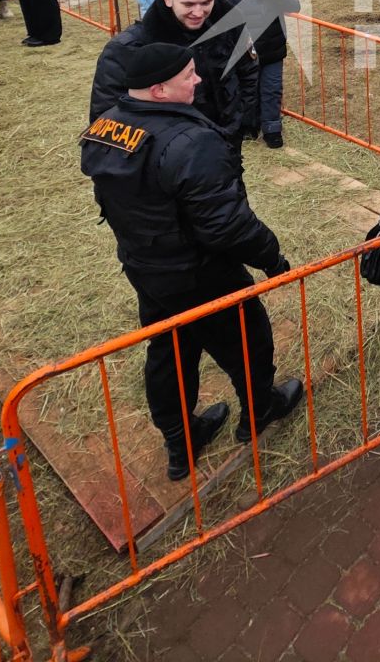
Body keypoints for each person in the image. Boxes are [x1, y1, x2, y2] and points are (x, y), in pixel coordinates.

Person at [80, 44, 303, 480]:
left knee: (169, 349)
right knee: (247, 335)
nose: (198, 79)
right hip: (200, 271)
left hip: (145, 266)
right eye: (189, 76)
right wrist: (272, 258)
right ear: (160, 89)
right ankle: (259, 409)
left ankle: (180, 443)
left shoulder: (105, 126)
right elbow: (226, 225)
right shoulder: (189, 143)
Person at [91, 0, 259, 151]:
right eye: (188, 4)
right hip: (167, 152)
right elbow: (108, 116)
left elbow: (249, 70)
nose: (198, 12)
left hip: (225, 139)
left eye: (206, 3)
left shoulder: (231, 26)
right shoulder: (129, 47)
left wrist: (239, 119)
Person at [233, 0, 296, 149]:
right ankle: (248, 126)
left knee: (272, 90)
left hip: (274, 55)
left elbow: (295, 5)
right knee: (248, 90)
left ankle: (272, 129)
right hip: (248, 57)